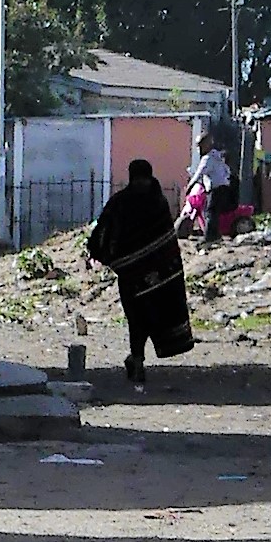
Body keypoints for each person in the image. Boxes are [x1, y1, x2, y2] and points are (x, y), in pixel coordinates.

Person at [85, 159, 194, 385]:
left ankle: (137, 359)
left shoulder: (123, 202)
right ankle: (137, 359)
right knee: (143, 319)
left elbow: (101, 235)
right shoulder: (156, 201)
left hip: (136, 276)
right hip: (156, 276)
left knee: (138, 320)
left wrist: (105, 256)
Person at [185, 134, 237, 243]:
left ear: (207, 144)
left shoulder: (207, 158)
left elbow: (198, 174)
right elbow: (226, 171)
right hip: (224, 187)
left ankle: (208, 238)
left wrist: (189, 187)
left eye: (200, 146)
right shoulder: (217, 156)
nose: (199, 149)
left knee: (210, 213)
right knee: (214, 213)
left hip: (216, 189)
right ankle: (216, 236)